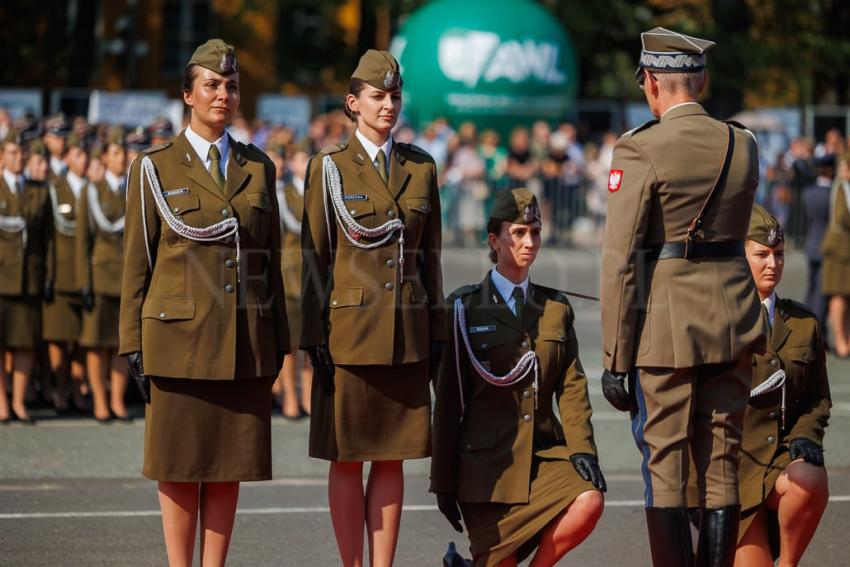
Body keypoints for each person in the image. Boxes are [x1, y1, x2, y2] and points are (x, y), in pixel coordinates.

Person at [599, 28, 766, 567]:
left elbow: (621, 261)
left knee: (666, 468)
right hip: (734, 317)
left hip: (667, 327)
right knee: (721, 464)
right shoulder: (743, 143)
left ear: (650, 83)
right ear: (703, 81)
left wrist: (614, 359)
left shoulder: (640, 147)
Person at [119, 39, 288, 566]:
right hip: (178, 340)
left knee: (227, 463)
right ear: (188, 95)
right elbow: (138, 263)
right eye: (212, 85)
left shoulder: (258, 168)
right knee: (177, 464)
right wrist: (132, 343)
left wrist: (279, 340)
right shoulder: (155, 168)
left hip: (243, 340)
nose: (223, 95)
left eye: (231, 86)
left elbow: (269, 261)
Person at [300, 49, 446, 567]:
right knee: (346, 458)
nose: (388, 105)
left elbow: (431, 261)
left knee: (392, 458)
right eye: (378, 97)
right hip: (349, 336)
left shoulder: (421, 168)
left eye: (395, 96)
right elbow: (312, 258)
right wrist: (312, 337)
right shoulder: (330, 168)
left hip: (406, 333)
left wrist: (436, 331)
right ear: (352, 103)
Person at [431, 188, 605, 567]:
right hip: (484, 471)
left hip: (542, 457)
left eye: (535, 232)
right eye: (519, 233)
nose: (529, 242)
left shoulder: (556, 308)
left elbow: (573, 389)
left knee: (589, 500)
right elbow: (446, 401)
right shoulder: (462, 308)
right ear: (494, 240)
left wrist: (581, 449)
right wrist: (442, 480)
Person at [730, 205, 831, 566]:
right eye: (761, 254)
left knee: (810, 478)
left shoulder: (803, 322)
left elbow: (818, 399)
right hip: (734, 472)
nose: (772, 264)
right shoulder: (717, 320)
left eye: (779, 254)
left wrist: (806, 437)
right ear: (739, 258)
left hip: (779, 462)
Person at [77, 128, 129, 422]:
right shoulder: (92, 191)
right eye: (116, 154)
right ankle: (100, 400)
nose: (121, 159)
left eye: (123, 154)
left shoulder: (134, 188)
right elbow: (83, 240)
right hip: (99, 277)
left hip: (125, 278)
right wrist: (84, 282)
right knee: (97, 344)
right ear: (105, 158)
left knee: (122, 344)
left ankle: (117, 400)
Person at [0, 131, 52, 424]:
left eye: (21, 154)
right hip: (1, 276)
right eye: (11, 153)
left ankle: (18, 402)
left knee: (24, 343)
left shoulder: (39, 190)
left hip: (29, 278)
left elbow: (49, 239)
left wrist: (49, 277)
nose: (17, 159)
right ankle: (2, 403)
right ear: (2, 157)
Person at [42, 134, 88, 412]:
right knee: (59, 337)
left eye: (85, 156)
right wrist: (48, 275)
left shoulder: (93, 189)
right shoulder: (55, 189)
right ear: (67, 158)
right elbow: (47, 236)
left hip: (87, 277)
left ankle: (77, 390)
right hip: (61, 274)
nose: (82, 161)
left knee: (83, 339)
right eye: (78, 155)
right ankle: (59, 388)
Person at [270, 142, 312, 419]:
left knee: (311, 345)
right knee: (290, 345)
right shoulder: (283, 194)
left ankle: (308, 397)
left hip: (313, 277)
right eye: (301, 159)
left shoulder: (317, 193)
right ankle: (288, 397)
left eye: (309, 159)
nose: (305, 165)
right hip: (290, 275)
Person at [821, 150, 850, 357]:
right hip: (839, 251)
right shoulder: (841, 186)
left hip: (845, 250)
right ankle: (840, 341)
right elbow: (842, 217)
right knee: (839, 295)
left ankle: (845, 340)